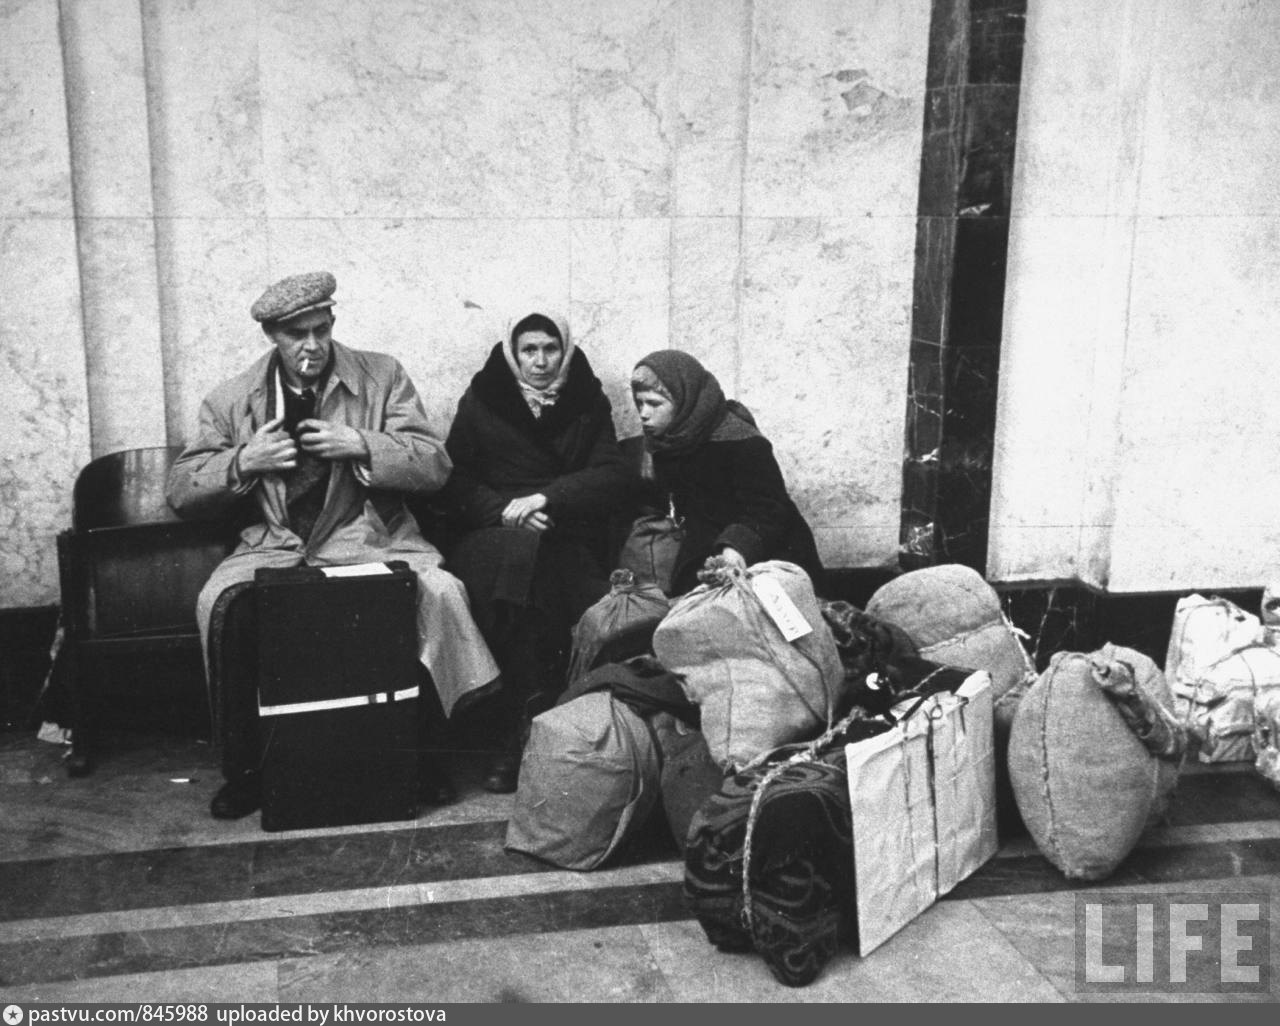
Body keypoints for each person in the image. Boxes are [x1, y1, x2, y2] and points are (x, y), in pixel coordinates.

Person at [166, 270, 501, 819]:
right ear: (273, 335)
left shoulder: (382, 376)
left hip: (366, 536)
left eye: (321, 330)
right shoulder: (232, 399)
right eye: (297, 335)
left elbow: (435, 465)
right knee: (220, 607)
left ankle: (423, 760)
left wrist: (363, 444)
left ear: (333, 323)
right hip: (273, 544)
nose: (313, 346)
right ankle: (247, 771)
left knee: (438, 592)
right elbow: (181, 489)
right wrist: (242, 462)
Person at [439, 310, 629, 792]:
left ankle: (519, 725)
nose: (540, 361)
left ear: (564, 351)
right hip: (492, 533)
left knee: (538, 579)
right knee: (520, 565)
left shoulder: (586, 398)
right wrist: (505, 510)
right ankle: (524, 721)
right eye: (529, 350)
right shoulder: (484, 397)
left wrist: (548, 498)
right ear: (513, 353)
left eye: (550, 349)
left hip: (562, 531)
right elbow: (454, 478)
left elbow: (610, 472)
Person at [629, 349, 824, 597]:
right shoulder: (665, 442)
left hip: (763, 557)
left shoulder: (742, 443)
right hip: (704, 556)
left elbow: (768, 510)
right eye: (639, 403)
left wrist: (737, 548)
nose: (644, 413)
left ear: (684, 401)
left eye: (654, 404)